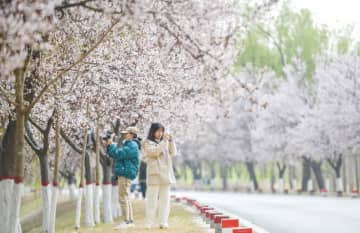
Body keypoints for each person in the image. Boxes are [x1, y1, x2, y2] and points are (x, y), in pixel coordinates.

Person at [104, 126, 141, 229]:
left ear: (132, 135)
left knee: (123, 197)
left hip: (125, 173)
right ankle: (130, 220)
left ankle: (126, 221)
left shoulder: (132, 145)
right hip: (125, 172)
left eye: (127, 133)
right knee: (126, 196)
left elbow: (119, 153)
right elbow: (119, 150)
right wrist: (111, 144)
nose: (124, 135)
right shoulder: (129, 145)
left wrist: (111, 145)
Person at [142, 123, 177, 229]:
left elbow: (173, 152)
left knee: (165, 201)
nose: (160, 133)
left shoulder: (165, 142)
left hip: (166, 174)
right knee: (151, 200)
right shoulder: (147, 143)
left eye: (162, 131)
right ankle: (149, 222)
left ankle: (163, 222)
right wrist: (164, 142)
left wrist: (171, 141)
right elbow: (155, 152)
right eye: (158, 131)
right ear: (153, 131)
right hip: (154, 174)